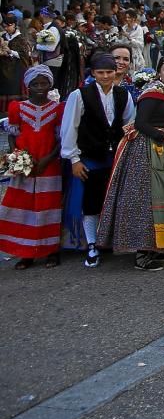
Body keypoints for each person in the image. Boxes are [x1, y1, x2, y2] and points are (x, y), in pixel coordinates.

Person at [98, 55, 164, 271]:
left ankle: (155, 248)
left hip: (159, 148)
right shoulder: (153, 92)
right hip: (146, 149)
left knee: (160, 197)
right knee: (147, 199)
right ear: (159, 71)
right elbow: (140, 123)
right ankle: (142, 253)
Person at [59, 53, 136, 266]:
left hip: (114, 156)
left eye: (109, 72)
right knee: (91, 201)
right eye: (100, 72)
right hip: (89, 155)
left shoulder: (123, 95)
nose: (105, 76)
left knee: (111, 198)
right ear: (93, 73)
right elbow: (69, 128)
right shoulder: (79, 95)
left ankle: (108, 239)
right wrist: (74, 159)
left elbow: (130, 125)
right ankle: (92, 244)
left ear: (116, 72)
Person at [0, 66, 64, 268]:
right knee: (23, 207)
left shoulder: (57, 109)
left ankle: (51, 250)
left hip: (49, 164)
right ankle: (26, 252)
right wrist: (18, 157)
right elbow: (13, 134)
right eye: (34, 84)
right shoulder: (17, 107)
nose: (39, 88)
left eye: (43, 83)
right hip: (24, 166)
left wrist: (47, 159)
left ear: (50, 85)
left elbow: (60, 138)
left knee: (48, 207)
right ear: (27, 86)